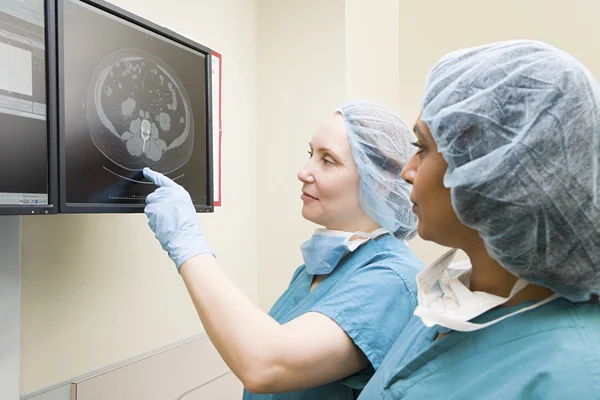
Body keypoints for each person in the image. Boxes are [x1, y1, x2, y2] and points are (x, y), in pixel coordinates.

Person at [357, 40, 600, 399]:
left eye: (421, 148)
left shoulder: (574, 375)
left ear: (493, 171)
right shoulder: (449, 302)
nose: (408, 172)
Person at [143, 100, 424, 399]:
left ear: (380, 182)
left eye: (328, 160)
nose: (304, 172)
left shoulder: (392, 279)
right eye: (311, 154)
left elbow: (266, 365)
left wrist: (188, 247)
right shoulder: (316, 271)